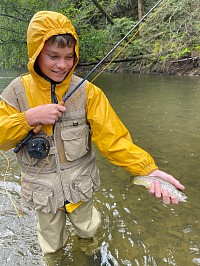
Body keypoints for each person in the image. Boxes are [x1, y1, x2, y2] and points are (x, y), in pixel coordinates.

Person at [0, 11, 185, 255]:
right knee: (51, 243)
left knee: (88, 230)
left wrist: (146, 169)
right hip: (42, 192)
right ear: (35, 54)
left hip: (81, 187)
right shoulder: (15, 92)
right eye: (52, 56)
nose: (62, 64)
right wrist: (28, 118)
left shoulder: (89, 93)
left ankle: (91, 252)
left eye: (69, 57)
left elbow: (114, 139)